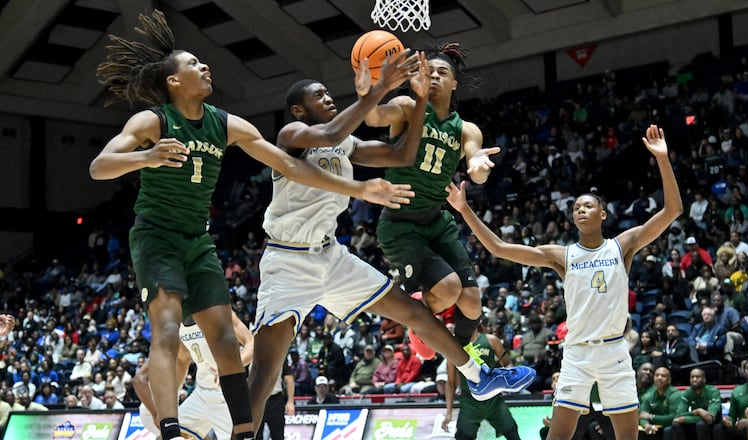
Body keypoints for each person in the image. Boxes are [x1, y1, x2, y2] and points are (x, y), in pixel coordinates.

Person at [90, 10, 412, 440]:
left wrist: (358, 190)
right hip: (156, 236)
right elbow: (100, 166)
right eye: (193, 64)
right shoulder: (153, 121)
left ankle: (243, 432)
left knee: (225, 341)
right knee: (167, 329)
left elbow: (288, 166)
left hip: (198, 239)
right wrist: (146, 157)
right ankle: (170, 430)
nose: (205, 67)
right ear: (173, 82)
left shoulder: (226, 123)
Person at [246, 52, 535, 434]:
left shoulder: (346, 145)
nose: (329, 97)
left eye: (329, 92)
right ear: (299, 110)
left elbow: (402, 154)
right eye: (319, 95)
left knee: (414, 313)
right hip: (288, 260)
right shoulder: (291, 136)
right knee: (266, 372)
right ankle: (240, 432)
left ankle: (477, 375)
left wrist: (417, 104)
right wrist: (380, 89)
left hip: (331, 256)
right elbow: (331, 133)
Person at [446, 124, 683, 440]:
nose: (581, 210)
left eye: (588, 206)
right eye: (576, 208)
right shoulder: (561, 255)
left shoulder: (622, 244)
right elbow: (499, 248)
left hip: (614, 351)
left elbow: (673, 210)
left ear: (603, 214)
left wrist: (663, 160)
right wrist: (464, 209)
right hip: (577, 354)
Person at [364, 42, 501, 355]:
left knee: (471, 301)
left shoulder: (466, 128)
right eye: (430, 72)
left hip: (436, 220)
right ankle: (415, 317)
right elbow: (372, 117)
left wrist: (479, 166)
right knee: (450, 288)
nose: (436, 76)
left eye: (443, 73)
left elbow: (476, 166)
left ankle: (464, 359)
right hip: (400, 224)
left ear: (454, 84)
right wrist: (372, 88)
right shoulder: (407, 107)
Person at [135, 311, 254, 440]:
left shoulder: (218, 310)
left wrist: (231, 368)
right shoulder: (179, 321)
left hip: (224, 395)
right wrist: (170, 398)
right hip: (201, 394)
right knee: (167, 435)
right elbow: (182, 359)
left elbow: (252, 342)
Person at [443, 323, 520, 440]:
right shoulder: (455, 346)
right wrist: (448, 412)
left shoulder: (491, 340)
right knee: (462, 437)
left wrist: (506, 379)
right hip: (470, 401)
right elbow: (450, 383)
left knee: (512, 433)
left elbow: (507, 363)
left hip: (493, 398)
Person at [718, 358, 748, 439]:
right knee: (719, 428)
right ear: (743, 372)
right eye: (747, 368)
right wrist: (727, 420)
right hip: (740, 427)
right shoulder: (737, 390)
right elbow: (732, 415)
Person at [671, 367, 723, 439]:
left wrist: (686, 419)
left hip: (713, 424)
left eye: (697, 377)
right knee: (676, 424)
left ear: (704, 379)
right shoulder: (688, 392)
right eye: (692, 377)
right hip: (696, 423)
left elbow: (711, 418)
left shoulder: (713, 391)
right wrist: (696, 412)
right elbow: (678, 415)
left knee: (701, 424)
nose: (694, 379)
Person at [638, 366, 682, 439]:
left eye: (663, 376)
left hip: (670, 427)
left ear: (669, 380)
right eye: (657, 375)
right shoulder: (649, 396)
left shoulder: (675, 395)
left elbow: (674, 417)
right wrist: (646, 425)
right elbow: (643, 416)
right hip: (655, 427)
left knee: (668, 430)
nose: (659, 377)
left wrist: (652, 417)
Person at [257, 362, 295, 440]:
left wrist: (290, 402)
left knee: (278, 435)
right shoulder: (249, 352)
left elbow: (289, 379)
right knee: (256, 435)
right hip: (256, 399)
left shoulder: (280, 353)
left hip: (275, 399)